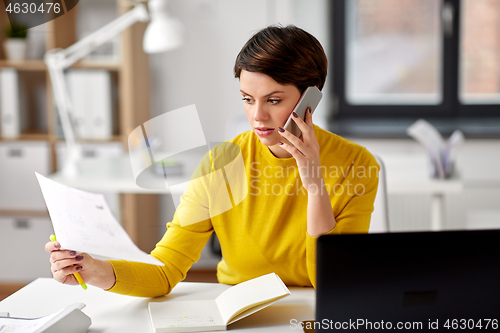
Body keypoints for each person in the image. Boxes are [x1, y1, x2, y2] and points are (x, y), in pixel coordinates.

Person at [45, 25, 379, 297]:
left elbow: (334, 283)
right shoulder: (222, 162)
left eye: (274, 100)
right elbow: (166, 268)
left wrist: (315, 186)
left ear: (311, 97)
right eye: (247, 99)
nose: (257, 116)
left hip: (315, 310)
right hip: (241, 306)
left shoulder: (355, 164)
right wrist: (97, 270)